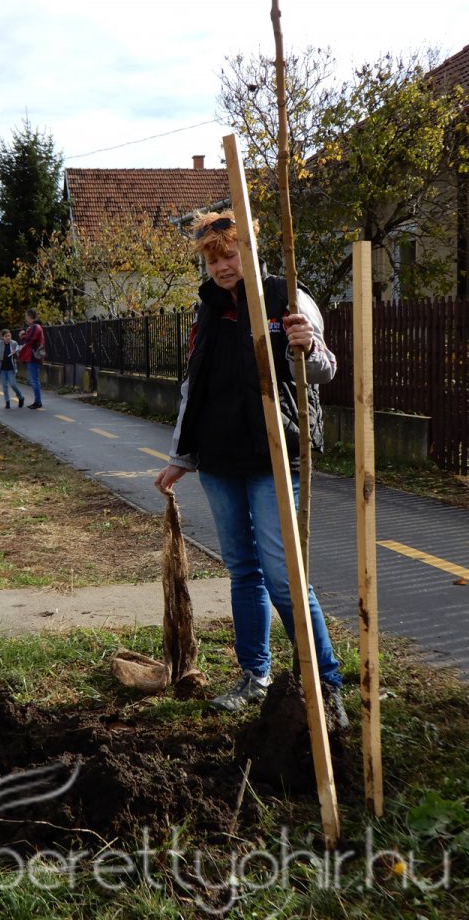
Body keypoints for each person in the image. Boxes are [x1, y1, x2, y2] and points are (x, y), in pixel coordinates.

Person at [154, 210, 347, 724]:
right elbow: (193, 386)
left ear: (251, 251)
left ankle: (325, 683)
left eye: (230, 254)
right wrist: (181, 457)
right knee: (243, 571)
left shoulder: (287, 296)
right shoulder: (207, 310)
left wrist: (304, 346)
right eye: (214, 258)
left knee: (285, 578)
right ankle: (254, 675)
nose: (222, 266)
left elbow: (325, 369)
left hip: (275, 457)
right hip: (219, 460)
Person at [18, 307, 45, 409]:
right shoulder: (35, 327)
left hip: (33, 357)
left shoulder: (35, 327)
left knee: (34, 380)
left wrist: (22, 336)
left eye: (26, 316)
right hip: (33, 357)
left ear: (29, 316)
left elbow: (30, 340)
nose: (25, 318)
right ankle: (37, 401)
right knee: (33, 380)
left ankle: (38, 402)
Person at [0, 329, 24, 408]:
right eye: (6, 336)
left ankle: (21, 397)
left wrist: (15, 353)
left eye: (9, 336)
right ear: (3, 337)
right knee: (4, 386)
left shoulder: (14, 343)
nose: (8, 338)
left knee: (13, 384)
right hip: (2, 368)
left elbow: (18, 355)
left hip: (11, 368)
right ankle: (7, 402)